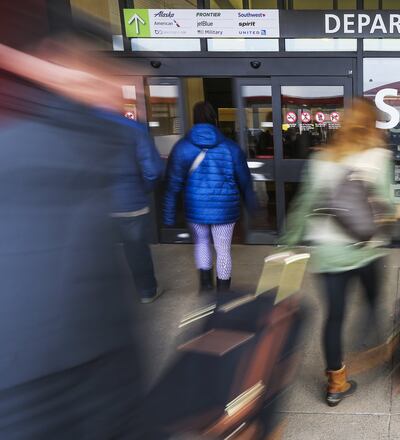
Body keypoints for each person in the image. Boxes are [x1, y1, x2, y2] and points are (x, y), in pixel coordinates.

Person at [0, 16, 146, 439]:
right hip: (45, 389)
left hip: (78, 379)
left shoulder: (88, 143)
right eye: (111, 76)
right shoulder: (56, 148)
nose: (126, 92)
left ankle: (195, 278)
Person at [282, 99, 400, 407]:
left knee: (334, 317)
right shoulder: (377, 157)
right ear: (373, 125)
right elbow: (386, 210)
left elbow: (303, 205)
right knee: (371, 303)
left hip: (328, 253)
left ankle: (336, 384)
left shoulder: (321, 158)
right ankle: (375, 349)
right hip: (364, 252)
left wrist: (287, 244)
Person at [163, 102, 256, 292]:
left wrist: (169, 216)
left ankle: (206, 288)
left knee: (202, 243)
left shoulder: (182, 147)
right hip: (225, 208)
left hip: (195, 208)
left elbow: (172, 184)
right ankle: (223, 295)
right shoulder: (231, 147)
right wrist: (253, 206)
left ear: (194, 119)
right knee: (223, 250)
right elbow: (245, 181)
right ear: (215, 119)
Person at [103, 112, 165, 303]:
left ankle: (106, 298)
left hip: (97, 205)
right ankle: (146, 292)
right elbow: (153, 170)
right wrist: (141, 189)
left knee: (99, 250)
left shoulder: (83, 126)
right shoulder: (133, 129)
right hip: (129, 201)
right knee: (137, 249)